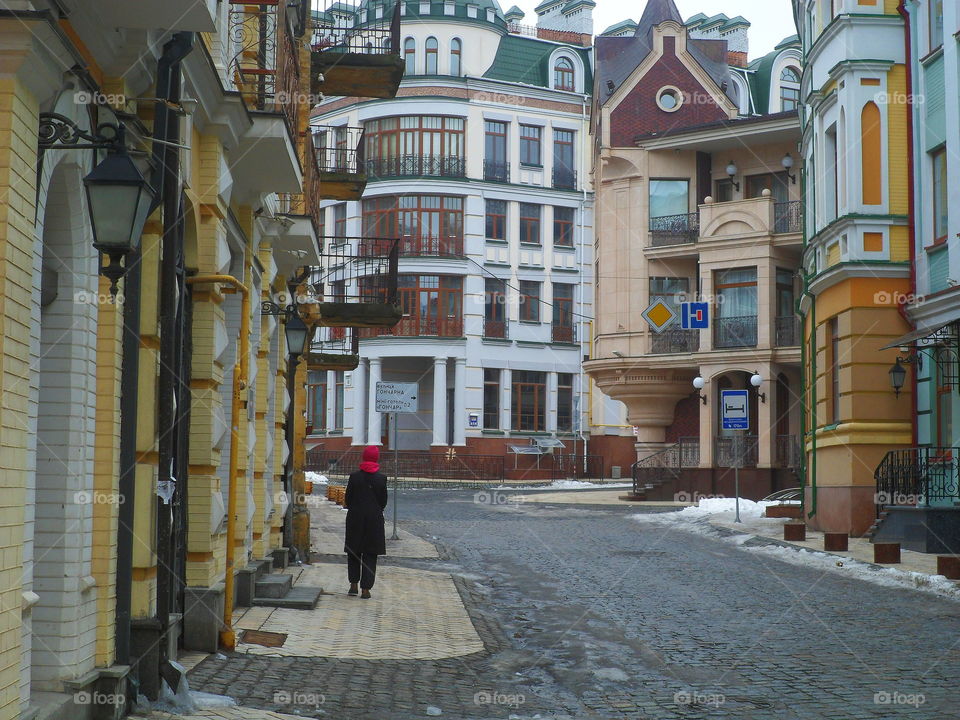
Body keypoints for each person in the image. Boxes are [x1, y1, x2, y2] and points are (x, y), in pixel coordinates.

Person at [344, 445, 388, 598]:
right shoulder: (381, 479)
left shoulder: (354, 477)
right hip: (374, 521)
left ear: (364, 457)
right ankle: (366, 589)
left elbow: (348, 499)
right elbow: (383, 501)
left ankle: (353, 585)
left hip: (355, 519)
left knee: (354, 552)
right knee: (370, 554)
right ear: (376, 458)